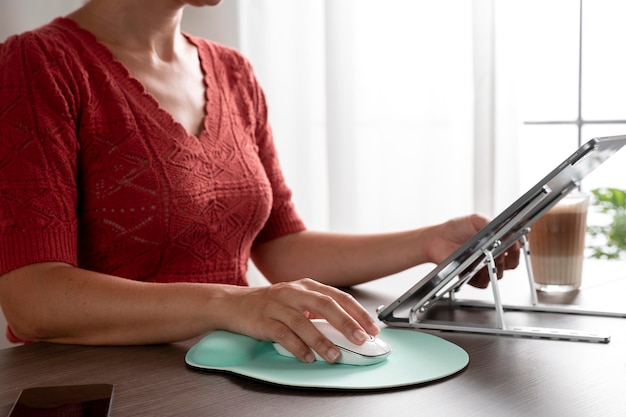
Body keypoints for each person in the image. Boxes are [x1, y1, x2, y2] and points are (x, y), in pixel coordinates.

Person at [0, 0, 519, 364]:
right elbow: (34, 301)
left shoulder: (233, 72)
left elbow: (282, 247)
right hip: (98, 389)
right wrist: (230, 304)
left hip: (229, 371)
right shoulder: (37, 64)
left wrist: (430, 242)